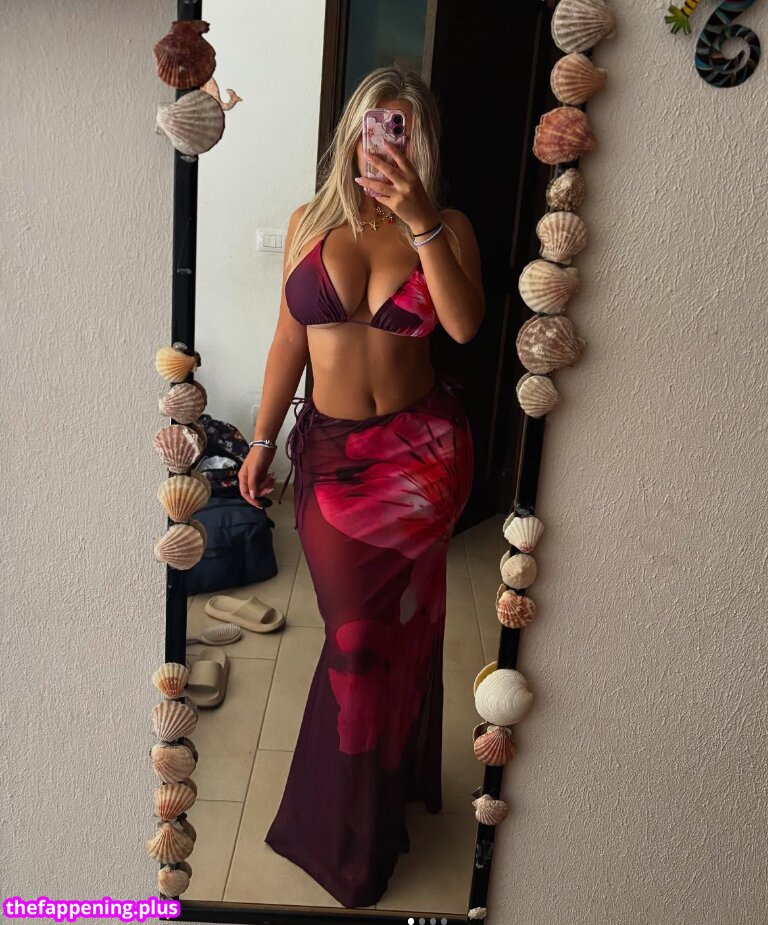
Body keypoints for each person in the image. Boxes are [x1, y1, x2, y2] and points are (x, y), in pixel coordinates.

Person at [238, 64, 485, 908]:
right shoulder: (311, 221)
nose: (386, 141)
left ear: (421, 142)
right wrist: (261, 438)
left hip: (422, 460)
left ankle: (357, 828)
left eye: (403, 127)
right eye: (377, 124)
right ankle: (355, 818)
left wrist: (421, 223)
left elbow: (464, 325)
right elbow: (287, 342)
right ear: (352, 132)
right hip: (333, 462)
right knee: (356, 634)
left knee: (392, 638)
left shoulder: (446, 225)